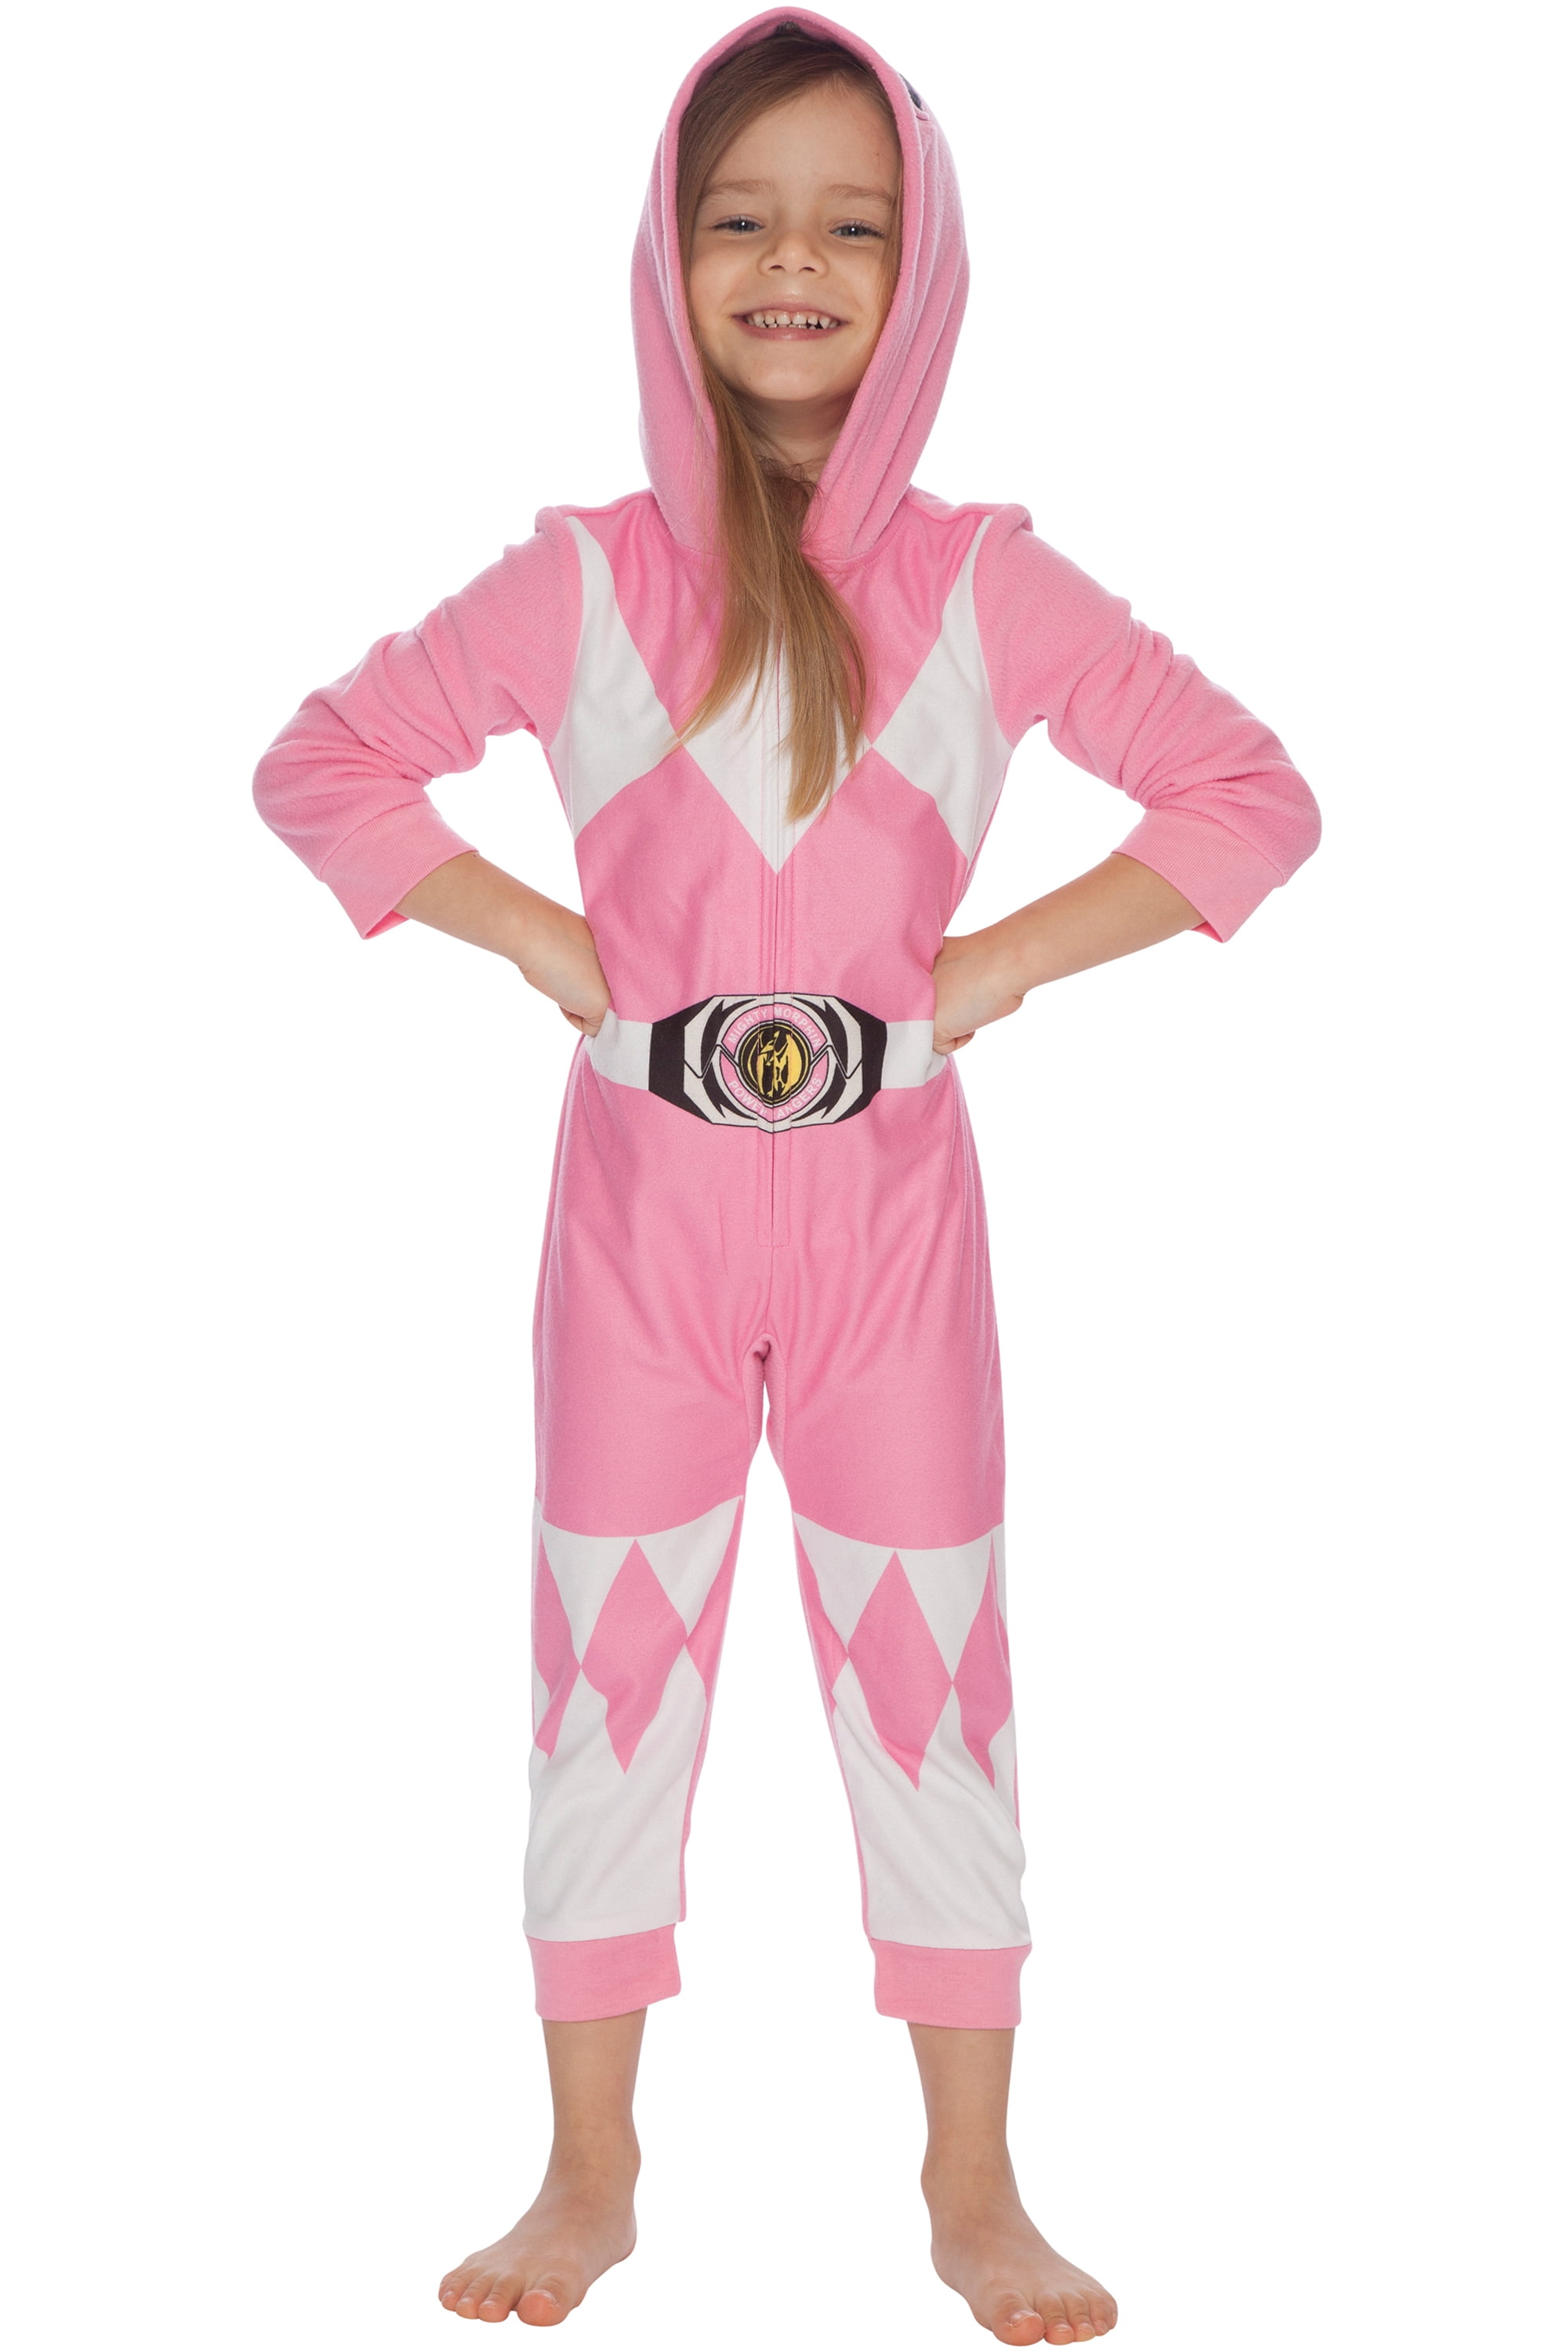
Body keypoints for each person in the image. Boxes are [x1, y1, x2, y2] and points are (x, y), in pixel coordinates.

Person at [252, 9, 1319, 2342]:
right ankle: (590, 2163)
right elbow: (324, 764)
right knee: (605, 1674)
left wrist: (987, 970)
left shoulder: (986, 583)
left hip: (890, 1229)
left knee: (935, 1678)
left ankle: (972, 2179)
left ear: (923, 275)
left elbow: (1251, 796)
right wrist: (548, 941)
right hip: (636, 1221)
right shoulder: (582, 580)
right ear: (669, 256)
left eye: (851, 225)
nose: (793, 264)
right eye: (739, 219)